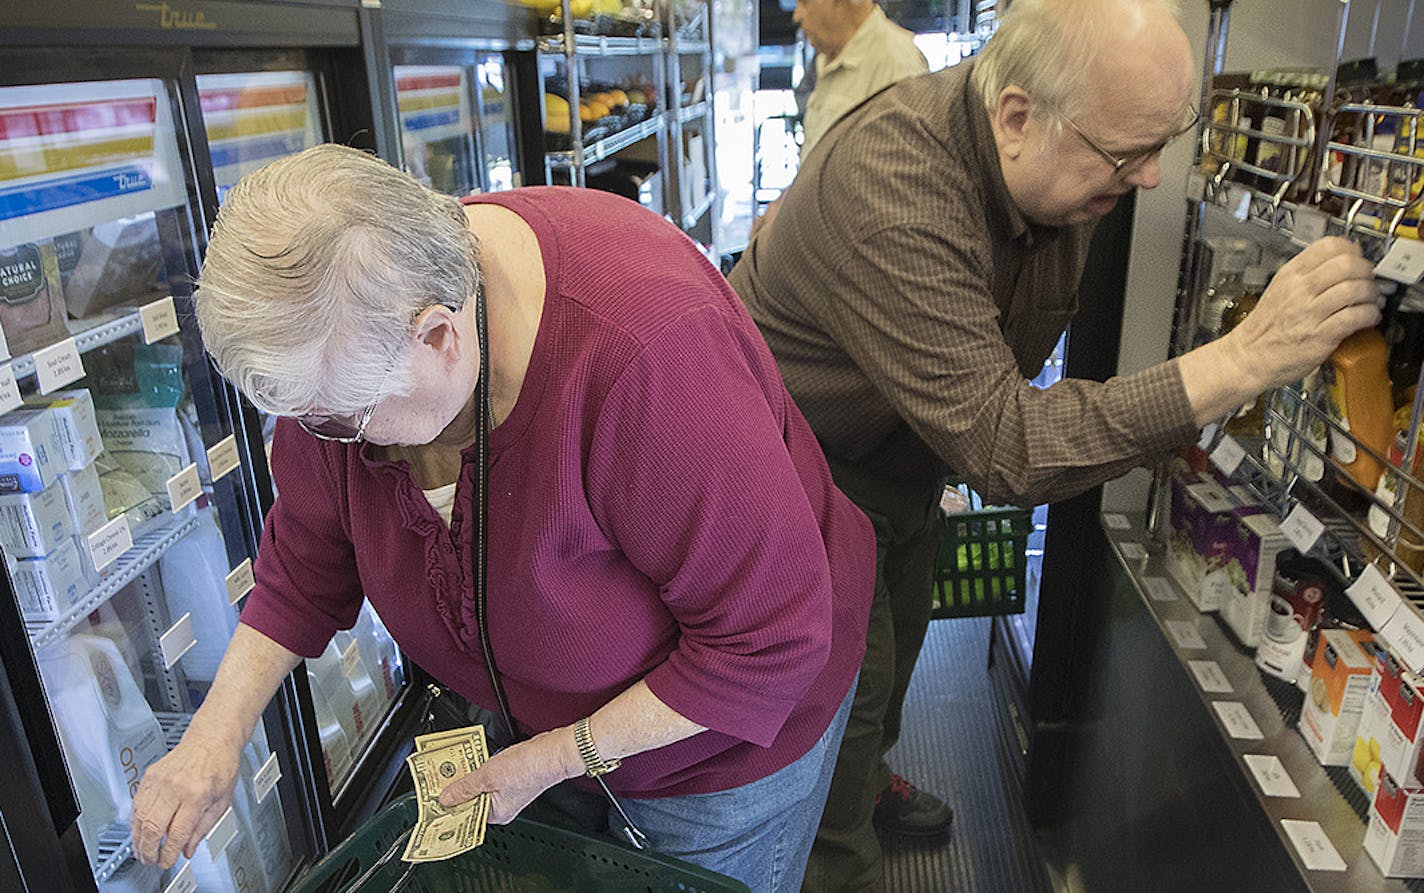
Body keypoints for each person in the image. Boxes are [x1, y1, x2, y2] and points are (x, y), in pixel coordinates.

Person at [727, 0, 1382, 889]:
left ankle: (870, 781)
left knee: (896, 658)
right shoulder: (897, 184)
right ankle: (838, 853)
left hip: (899, 464)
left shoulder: (1057, 166)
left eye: (1162, 144)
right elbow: (1011, 446)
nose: (1151, 177)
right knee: (837, 718)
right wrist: (1243, 359)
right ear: (1017, 117)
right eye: (1126, 154)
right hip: (799, 480)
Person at [128, 143, 876, 893]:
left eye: (341, 421)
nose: (330, 439)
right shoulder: (343, 347)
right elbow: (307, 555)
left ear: (438, 337)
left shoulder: (646, 351)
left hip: (713, 755)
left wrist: (554, 757)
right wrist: (214, 735)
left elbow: (768, 638)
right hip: (530, 736)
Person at [754, 0, 927, 238]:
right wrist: (786, 203)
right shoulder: (827, 57)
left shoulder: (896, 64)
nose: (797, 15)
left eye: (805, 3)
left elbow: (896, 195)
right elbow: (819, 159)